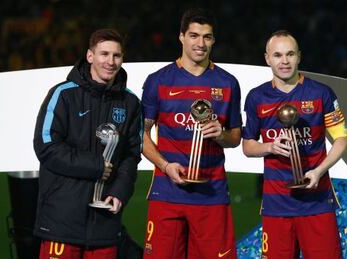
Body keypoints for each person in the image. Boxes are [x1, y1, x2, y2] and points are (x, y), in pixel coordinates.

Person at [141, 8, 242, 259]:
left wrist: (221, 135)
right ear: (181, 37)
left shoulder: (227, 82)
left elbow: (236, 137)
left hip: (212, 193)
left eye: (207, 37)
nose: (200, 43)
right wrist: (165, 166)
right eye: (194, 35)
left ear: (214, 40)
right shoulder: (158, 80)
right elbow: (140, 135)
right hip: (167, 191)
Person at [33, 28, 142, 259]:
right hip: (61, 220)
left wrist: (120, 192)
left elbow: (132, 155)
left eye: (116, 55)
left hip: (105, 222)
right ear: (90, 56)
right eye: (104, 54)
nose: (110, 62)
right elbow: (46, 145)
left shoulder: (130, 102)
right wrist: (96, 166)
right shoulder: (63, 94)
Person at [242, 30, 347, 259]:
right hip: (276, 204)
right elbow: (248, 146)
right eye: (278, 55)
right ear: (267, 59)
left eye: (290, 54)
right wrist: (270, 147)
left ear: (299, 56)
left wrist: (319, 171)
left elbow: (342, 139)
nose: (284, 61)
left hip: (317, 203)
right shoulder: (256, 97)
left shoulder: (321, 93)